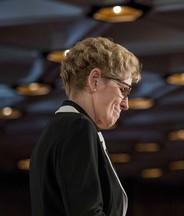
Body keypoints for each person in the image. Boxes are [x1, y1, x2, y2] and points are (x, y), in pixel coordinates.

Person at [29, 37, 141, 216]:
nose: (125, 104)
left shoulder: (58, 128)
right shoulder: (78, 127)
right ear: (95, 80)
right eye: (123, 90)